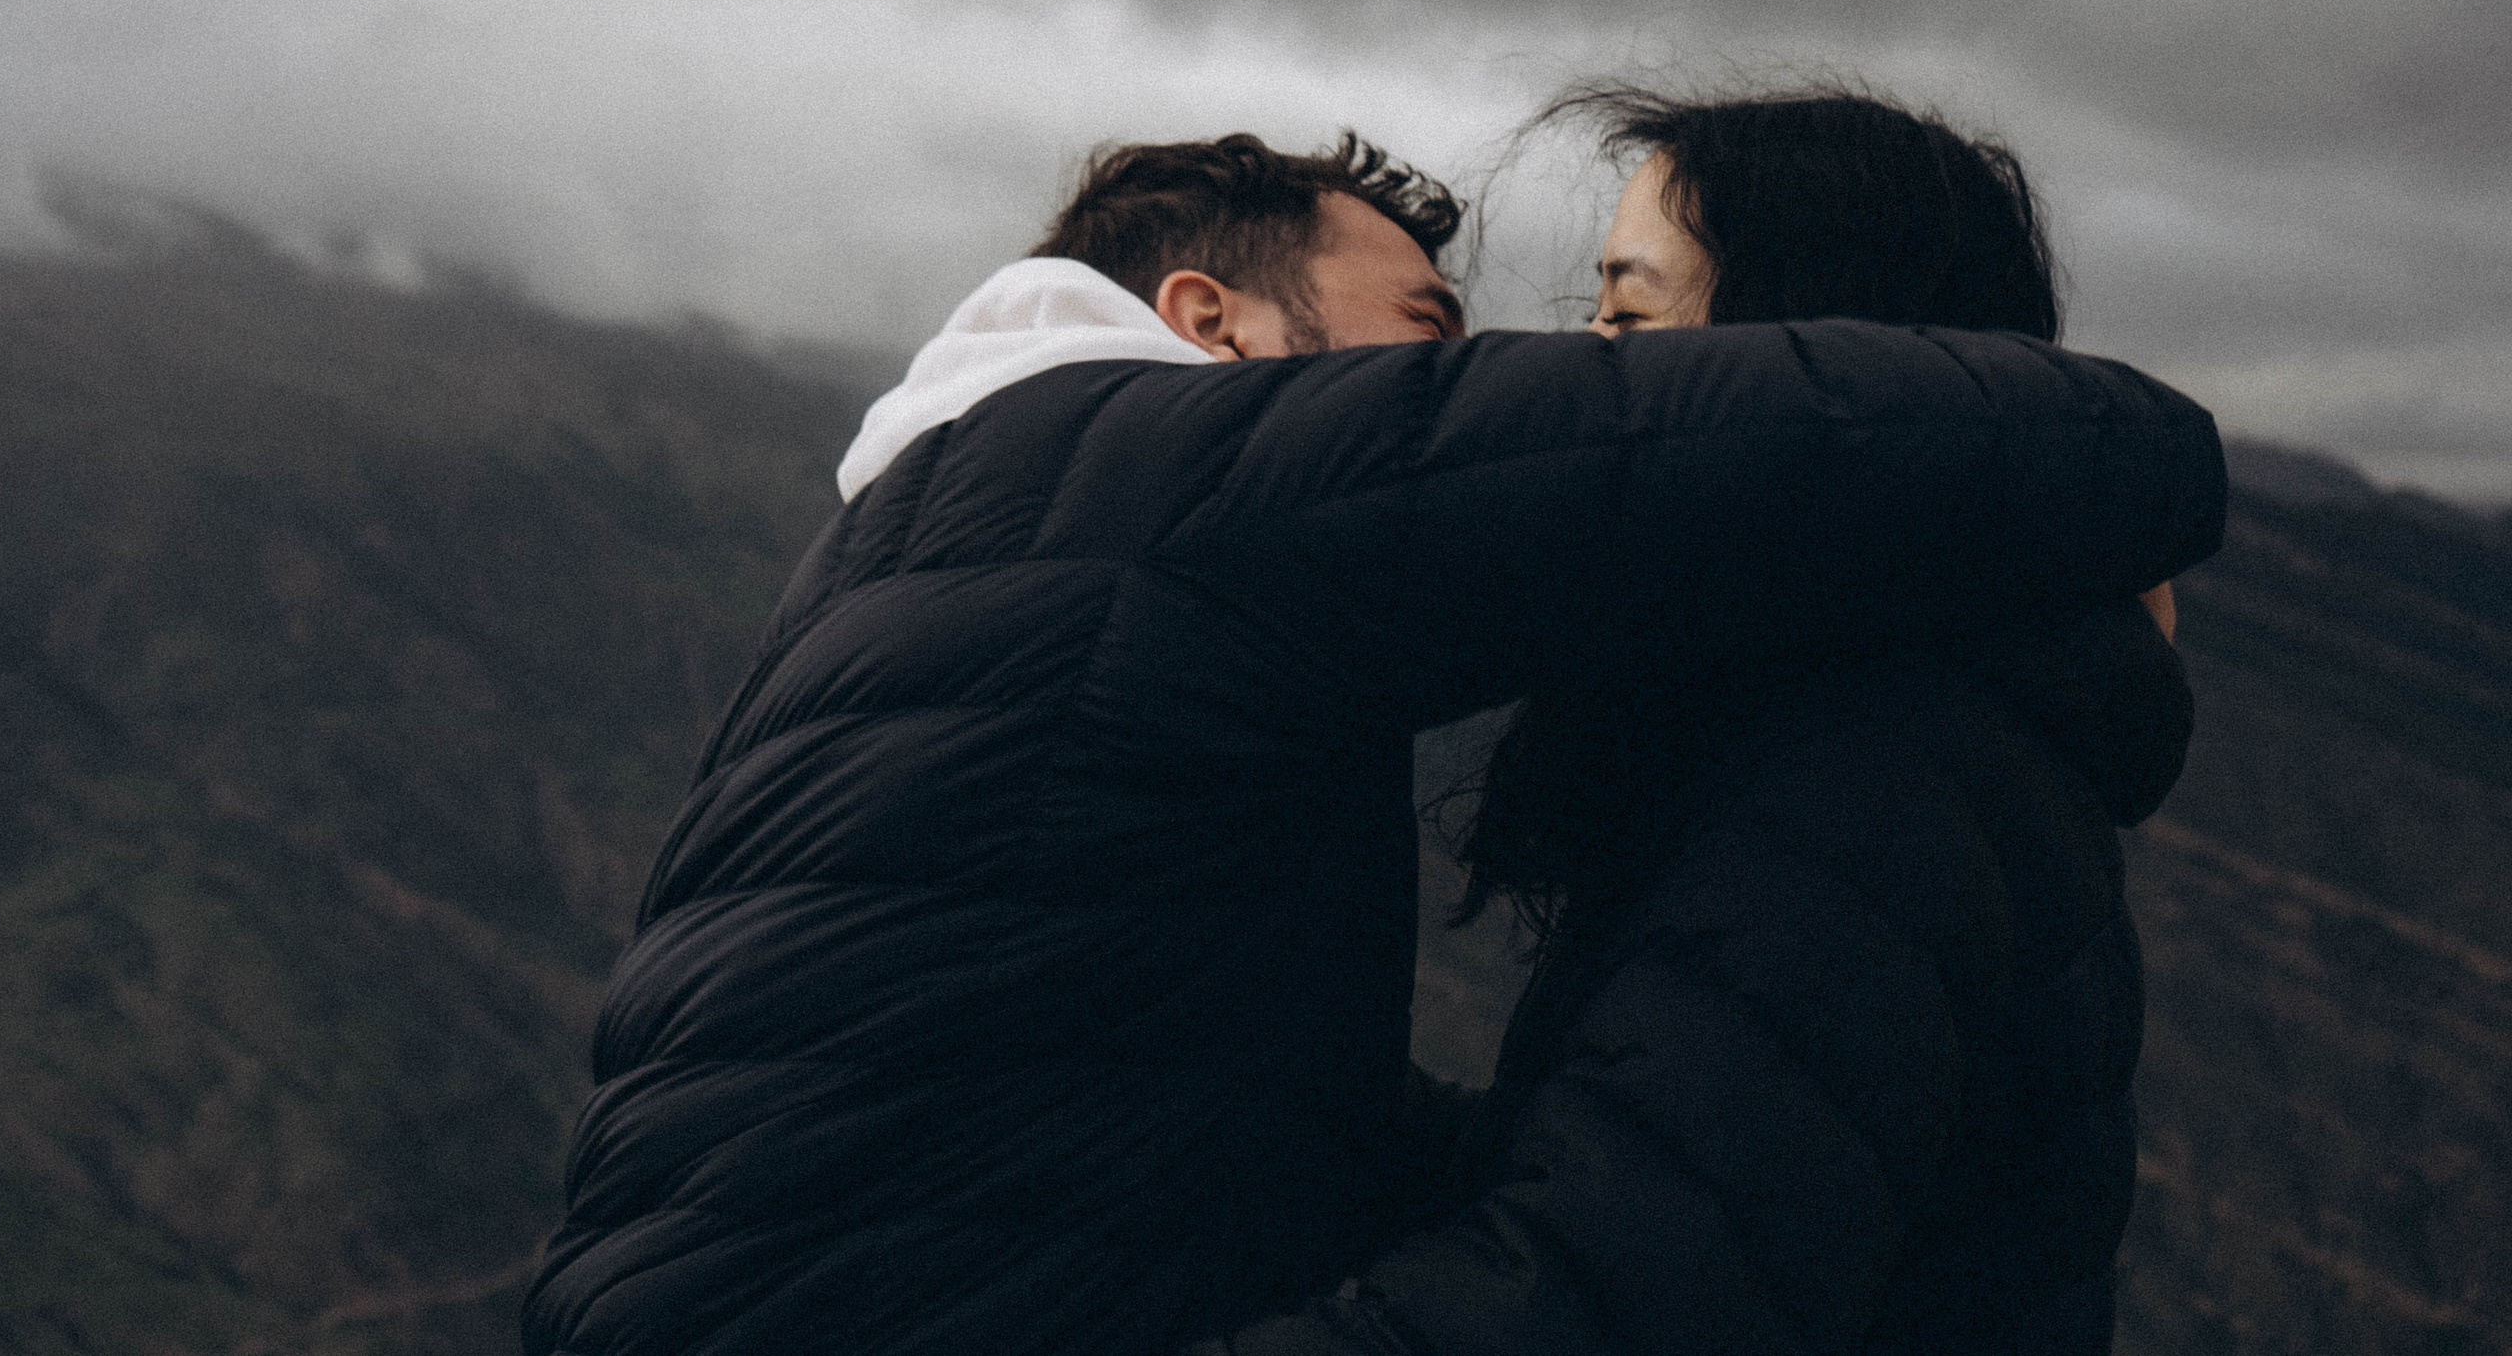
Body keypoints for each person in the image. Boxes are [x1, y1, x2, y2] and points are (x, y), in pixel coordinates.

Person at [522, 126, 2223, 1356]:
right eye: (1425, 335)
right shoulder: (1158, 468)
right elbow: (1725, 445)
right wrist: (2133, 468)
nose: (1500, 378)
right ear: (1214, 323)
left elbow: (1187, 1071)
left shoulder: (937, 533)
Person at [1189, 86, 2199, 1355]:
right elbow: (1659, 1169)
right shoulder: (1871, 721)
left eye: (1631, 312)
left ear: (1808, 368)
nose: (1580, 373)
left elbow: (1607, 1300)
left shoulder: (1871, 781)